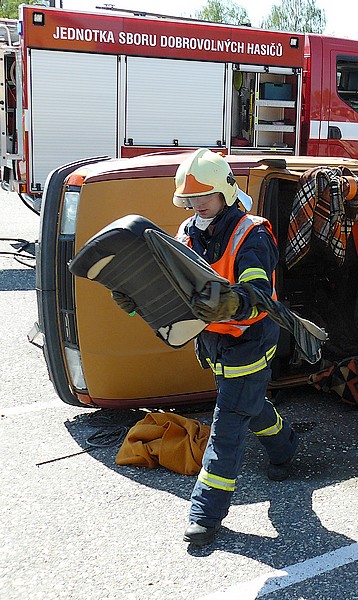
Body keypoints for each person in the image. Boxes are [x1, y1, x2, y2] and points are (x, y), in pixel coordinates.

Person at [111, 148, 300, 546]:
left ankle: (206, 513)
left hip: (250, 340)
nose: (197, 203)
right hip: (214, 341)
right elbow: (171, 288)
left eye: (204, 195)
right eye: (190, 197)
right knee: (249, 404)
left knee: (227, 427)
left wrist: (233, 302)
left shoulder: (252, 234)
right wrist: (136, 300)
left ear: (225, 191)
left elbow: (257, 292)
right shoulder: (187, 232)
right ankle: (285, 449)